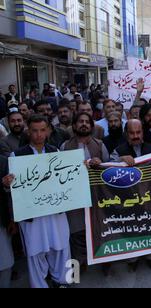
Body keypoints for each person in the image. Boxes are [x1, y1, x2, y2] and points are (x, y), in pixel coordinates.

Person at [3, 115, 72, 288]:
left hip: (55, 210)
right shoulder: (16, 155)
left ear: (48, 130)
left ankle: (65, 281)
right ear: (28, 130)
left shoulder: (55, 152)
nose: (39, 135)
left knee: (62, 246)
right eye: (35, 131)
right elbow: (11, 189)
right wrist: (6, 183)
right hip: (32, 215)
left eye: (42, 130)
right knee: (35, 252)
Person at [61, 112, 109, 272]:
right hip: (75, 199)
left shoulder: (100, 145)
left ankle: (104, 261)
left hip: (97, 196)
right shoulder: (64, 146)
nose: (84, 124)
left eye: (87, 122)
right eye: (80, 122)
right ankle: (79, 264)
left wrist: (100, 164)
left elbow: (110, 170)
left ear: (91, 126)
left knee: (99, 229)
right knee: (77, 232)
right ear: (74, 126)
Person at [111, 120, 151, 272]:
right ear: (126, 134)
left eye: (138, 132)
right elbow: (108, 170)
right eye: (132, 133)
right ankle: (133, 258)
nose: (136, 136)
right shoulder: (119, 151)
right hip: (129, 198)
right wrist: (120, 161)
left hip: (150, 196)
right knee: (132, 228)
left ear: (143, 133)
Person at [0, 154, 14, 288]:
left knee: (5, 263)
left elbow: (11, 195)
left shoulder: (3, 162)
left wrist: (12, 219)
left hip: (1, 221)